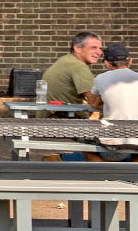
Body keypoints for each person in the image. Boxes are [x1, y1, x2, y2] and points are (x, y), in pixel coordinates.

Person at [43, 31, 104, 161]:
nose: (99, 52)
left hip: (51, 116)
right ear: (77, 48)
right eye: (94, 47)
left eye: (100, 48)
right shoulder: (79, 67)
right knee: (118, 138)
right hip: (67, 118)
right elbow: (95, 103)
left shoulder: (66, 60)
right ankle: (108, 174)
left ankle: (60, 159)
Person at [94, 44, 138, 160]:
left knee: (83, 143)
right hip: (136, 136)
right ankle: (134, 176)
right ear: (130, 61)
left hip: (112, 138)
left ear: (107, 63)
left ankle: (104, 173)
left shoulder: (100, 78)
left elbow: (94, 104)